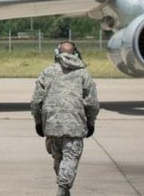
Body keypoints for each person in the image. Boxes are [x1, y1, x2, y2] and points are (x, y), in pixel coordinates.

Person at [31, 41, 100, 196]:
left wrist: (38, 121)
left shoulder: (47, 72)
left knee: (58, 158)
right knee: (70, 158)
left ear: (57, 53)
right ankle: (63, 189)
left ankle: (64, 189)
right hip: (74, 127)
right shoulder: (83, 74)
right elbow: (92, 102)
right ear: (75, 54)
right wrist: (91, 121)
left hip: (52, 126)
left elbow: (36, 101)